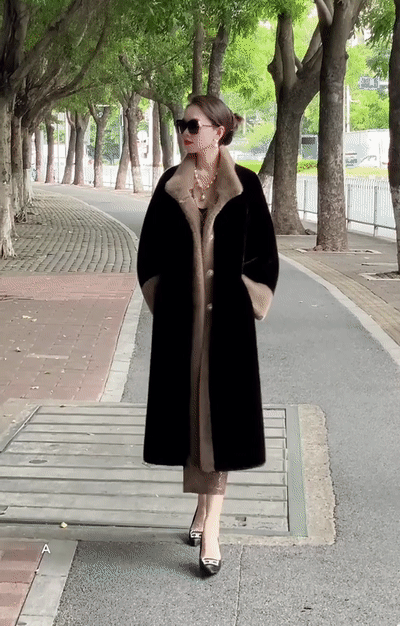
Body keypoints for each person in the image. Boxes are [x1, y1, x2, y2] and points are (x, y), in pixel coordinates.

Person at [137, 94, 279, 576]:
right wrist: (166, 302)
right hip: (182, 326)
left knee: (221, 422)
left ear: (219, 131)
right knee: (192, 421)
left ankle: (212, 528)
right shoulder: (169, 186)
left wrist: (249, 295)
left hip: (229, 327)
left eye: (194, 125)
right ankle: (201, 510)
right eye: (183, 124)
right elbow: (149, 255)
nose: (185, 132)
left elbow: (265, 254)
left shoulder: (246, 185)